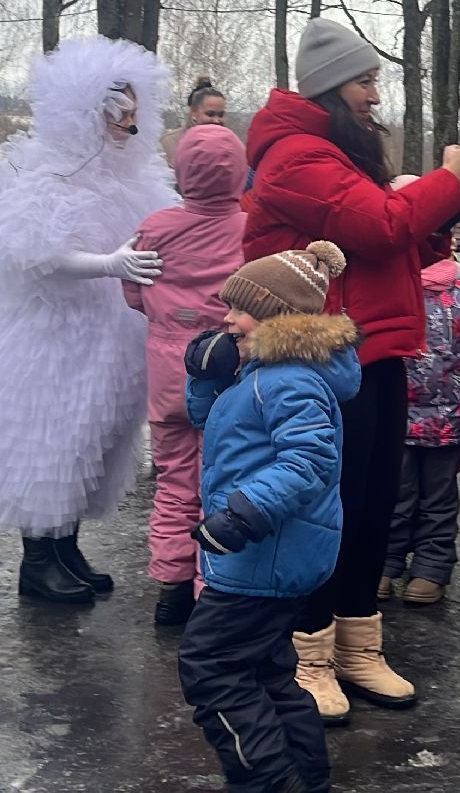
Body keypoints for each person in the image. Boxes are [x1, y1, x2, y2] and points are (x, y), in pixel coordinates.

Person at [240, 16, 460, 723]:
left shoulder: (337, 153)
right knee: (325, 508)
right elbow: (377, 224)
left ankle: (356, 645)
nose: (375, 95)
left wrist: (438, 213)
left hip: (372, 350)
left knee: (372, 504)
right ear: (328, 87)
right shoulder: (295, 157)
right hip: (321, 357)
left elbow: (390, 237)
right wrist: (448, 177)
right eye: (365, 80)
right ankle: (305, 654)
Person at [0, 36, 176, 605]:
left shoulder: (134, 176)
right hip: (45, 335)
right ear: (85, 111)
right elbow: (29, 253)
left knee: (88, 439)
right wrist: (107, 263)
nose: (127, 127)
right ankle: (37, 561)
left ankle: (66, 547)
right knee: (48, 438)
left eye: (131, 117)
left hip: (101, 334)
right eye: (117, 117)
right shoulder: (41, 170)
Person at [179, 241, 356, 793]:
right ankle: (304, 778)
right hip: (267, 558)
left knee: (210, 668)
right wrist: (207, 375)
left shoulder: (291, 380)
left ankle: (269, 783)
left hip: (265, 555)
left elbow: (309, 459)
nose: (226, 318)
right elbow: (210, 419)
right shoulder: (262, 371)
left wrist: (244, 512)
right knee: (267, 673)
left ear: (280, 318)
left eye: (240, 309)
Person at [124, 123, 248, 627]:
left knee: (176, 481)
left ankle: (170, 587)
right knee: (227, 481)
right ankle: (211, 589)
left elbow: (134, 293)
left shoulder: (154, 228)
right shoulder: (250, 227)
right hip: (228, 376)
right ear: (240, 172)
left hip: (169, 375)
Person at [382, 247, 460, 606]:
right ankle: (385, 563)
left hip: (446, 424)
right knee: (393, 497)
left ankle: (431, 567)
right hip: (394, 420)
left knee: (439, 499)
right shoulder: (390, 289)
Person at [161, 79, 229, 169]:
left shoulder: (229, 145)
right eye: (210, 114)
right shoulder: (170, 142)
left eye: (221, 115)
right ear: (193, 112)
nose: (216, 120)